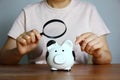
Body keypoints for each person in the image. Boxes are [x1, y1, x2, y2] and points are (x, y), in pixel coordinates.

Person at [0, 0, 112, 65]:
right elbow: (3, 58)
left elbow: (107, 57)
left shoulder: (89, 10)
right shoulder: (28, 12)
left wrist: (99, 54)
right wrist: (17, 52)